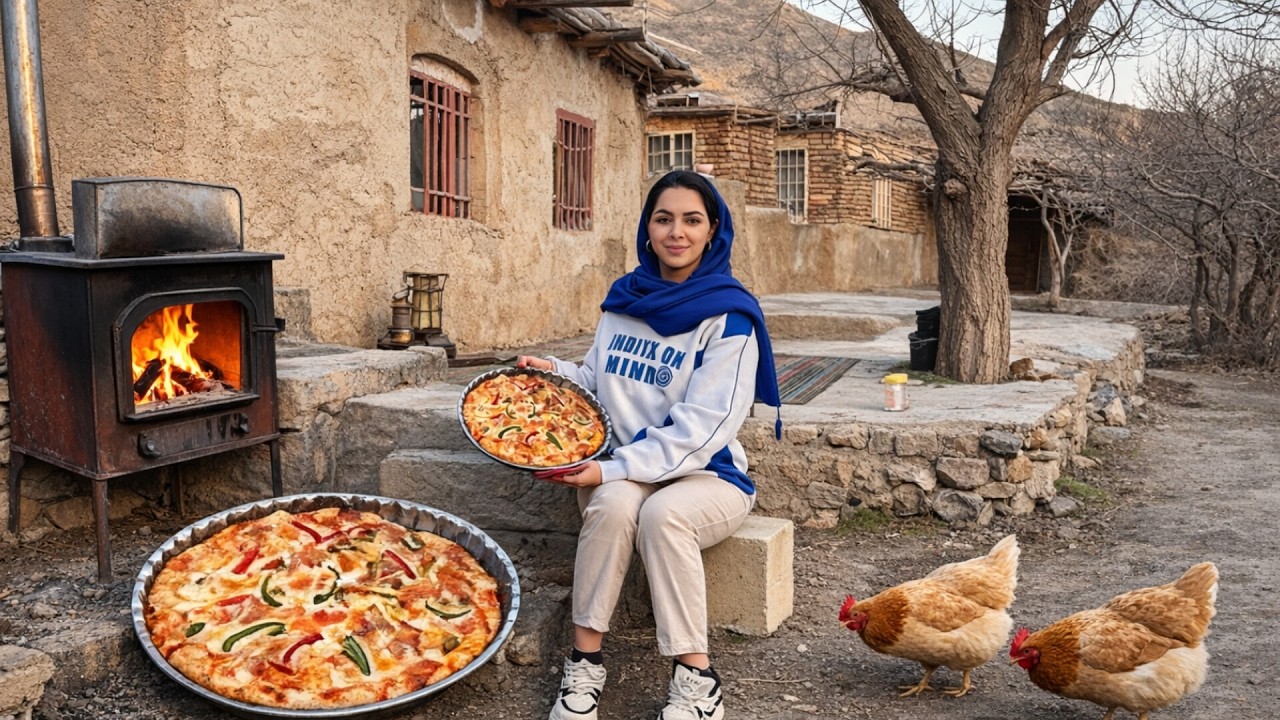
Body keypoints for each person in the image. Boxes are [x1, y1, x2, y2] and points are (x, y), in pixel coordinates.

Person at [517, 170, 782, 720]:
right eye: (663, 219)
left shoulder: (728, 316)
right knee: (615, 506)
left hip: (707, 475)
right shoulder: (625, 301)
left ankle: (696, 679)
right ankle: (584, 665)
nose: (676, 232)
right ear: (647, 227)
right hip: (622, 471)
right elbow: (599, 380)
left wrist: (611, 469)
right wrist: (557, 372)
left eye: (692, 220)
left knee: (662, 515)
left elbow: (705, 427)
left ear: (713, 231)